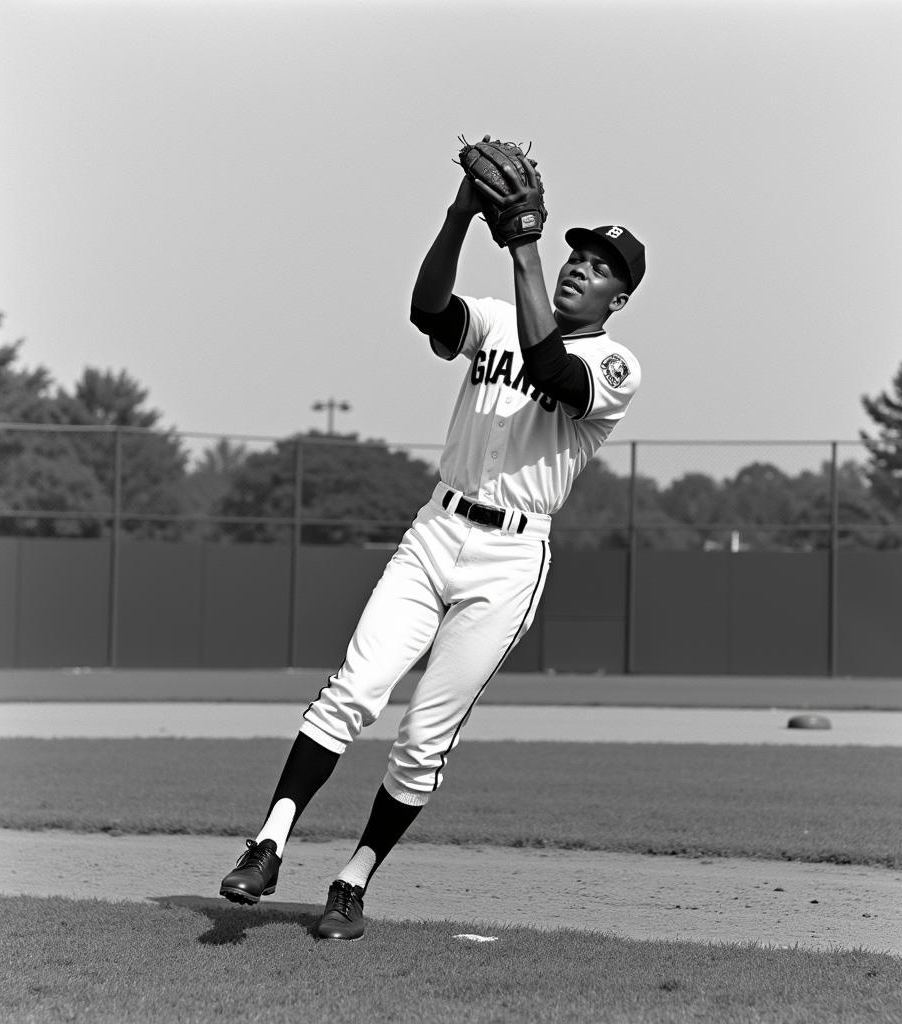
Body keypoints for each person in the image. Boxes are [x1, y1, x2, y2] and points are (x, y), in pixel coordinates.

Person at [218, 152, 645, 941]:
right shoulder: (493, 316)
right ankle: (267, 842)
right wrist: (458, 216)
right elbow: (427, 310)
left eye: (599, 268)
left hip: (510, 560)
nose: (581, 270)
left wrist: (524, 243)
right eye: (578, 255)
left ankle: (353, 880)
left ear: (620, 297)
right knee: (353, 690)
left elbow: (550, 366)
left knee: (421, 741)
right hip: (435, 530)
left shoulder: (612, 364)